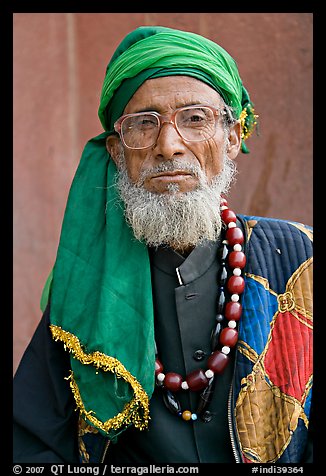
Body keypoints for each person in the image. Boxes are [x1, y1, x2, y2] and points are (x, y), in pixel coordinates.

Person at [13, 25, 313, 465]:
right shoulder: (86, 285)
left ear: (232, 138)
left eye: (195, 119)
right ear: (118, 152)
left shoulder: (302, 258)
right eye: (143, 125)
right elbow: (32, 443)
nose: (168, 146)